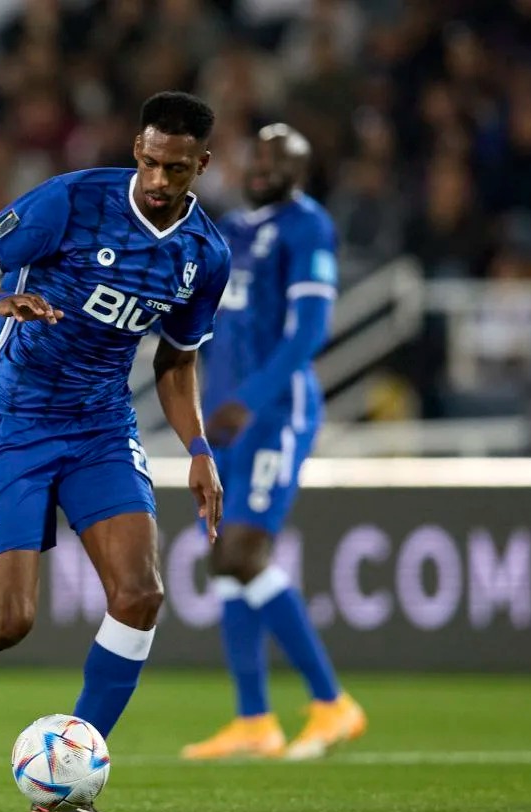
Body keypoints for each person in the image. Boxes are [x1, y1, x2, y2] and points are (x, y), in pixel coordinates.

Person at [0, 91, 229, 812]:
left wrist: (198, 447)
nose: (159, 179)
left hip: (100, 426)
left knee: (141, 594)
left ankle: (68, 782)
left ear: (202, 166)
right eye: (150, 161)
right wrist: (0, 301)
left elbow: (176, 361)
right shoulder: (71, 201)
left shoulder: (204, 255)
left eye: (177, 169)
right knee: (13, 619)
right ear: (137, 149)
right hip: (14, 420)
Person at [181, 124, 366, 762]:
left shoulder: (307, 227)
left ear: (301, 171)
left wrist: (251, 399)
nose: (263, 168)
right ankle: (254, 720)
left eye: (278, 160)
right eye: (257, 157)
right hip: (224, 419)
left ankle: (332, 703)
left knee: (242, 553)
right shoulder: (232, 229)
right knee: (223, 560)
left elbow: (310, 329)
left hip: (274, 413)